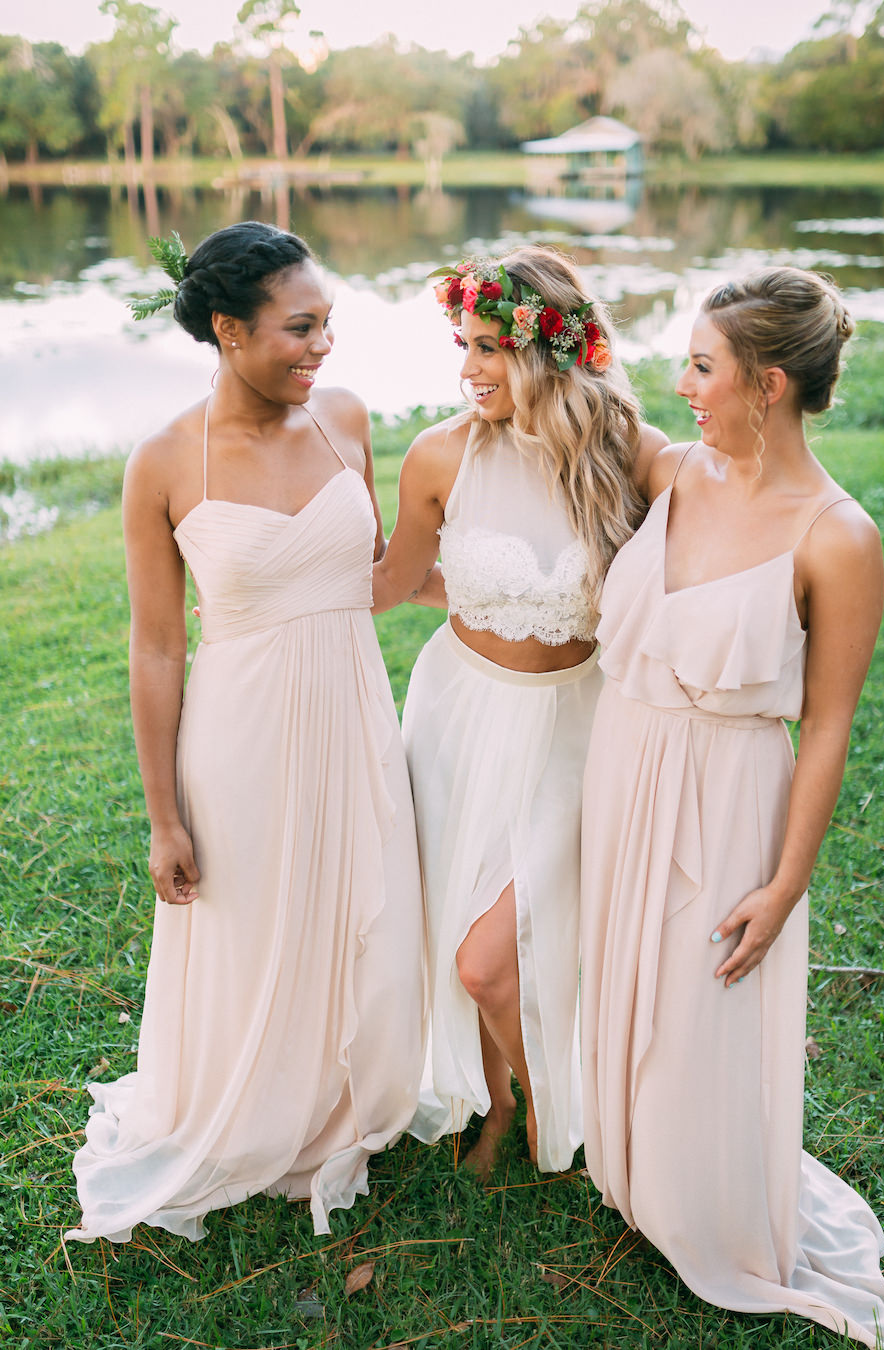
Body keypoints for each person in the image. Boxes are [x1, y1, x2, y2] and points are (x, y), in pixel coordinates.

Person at [65, 221, 426, 1244]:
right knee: (252, 924)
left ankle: (337, 1098)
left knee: (365, 911)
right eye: (299, 329)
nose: (322, 349)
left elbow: (375, 569)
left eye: (329, 326)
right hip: (241, 736)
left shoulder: (348, 420)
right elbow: (154, 651)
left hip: (353, 714)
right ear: (228, 329)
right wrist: (162, 817)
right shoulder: (165, 462)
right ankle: (248, 1111)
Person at [580, 267, 884, 1345]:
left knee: (700, 999)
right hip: (626, 763)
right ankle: (630, 1167)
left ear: (767, 384)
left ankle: (707, 1202)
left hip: (729, 795)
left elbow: (831, 727)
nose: (684, 384)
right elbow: (563, 394)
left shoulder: (838, 537)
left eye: (704, 368)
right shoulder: (677, 471)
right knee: (626, 978)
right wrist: (517, 314)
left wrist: (785, 883)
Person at [373, 245, 666, 1179]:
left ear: (554, 348)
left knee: (491, 957)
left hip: (573, 729)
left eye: (492, 347)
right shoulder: (438, 455)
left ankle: (546, 1101)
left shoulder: (631, 455)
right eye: (463, 345)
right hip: (458, 717)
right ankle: (497, 1102)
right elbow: (395, 582)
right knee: (458, 933)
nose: (469, 370)